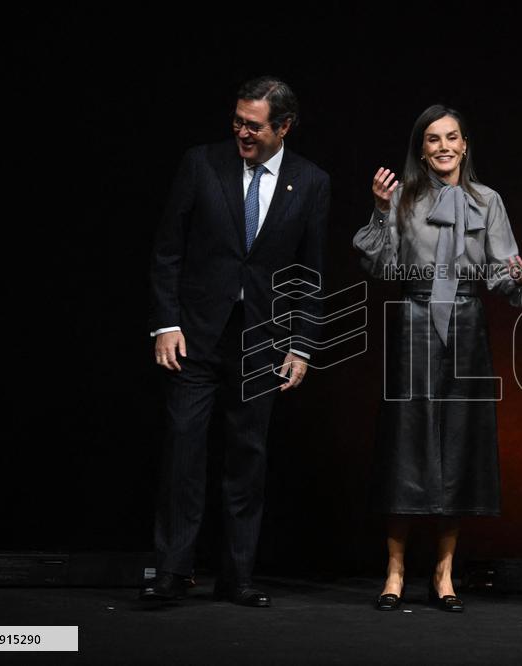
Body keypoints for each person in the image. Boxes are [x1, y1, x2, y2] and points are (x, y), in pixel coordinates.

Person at [142, 76, 330, 607]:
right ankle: (172, 573)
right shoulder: (201, 163)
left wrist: (302, 345)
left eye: (254, 125)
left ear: (284, 127)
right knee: (183, 451)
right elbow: (167, 250)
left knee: (247, 458)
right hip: (194, 337)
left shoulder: (311, 181)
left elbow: (311, 272)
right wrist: (166, 323)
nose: (241, 132)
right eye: (237, 121)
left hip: (263, 343)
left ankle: (237, 576)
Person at [353, 104, 522, 612]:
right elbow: (380, 265)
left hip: (466, 324)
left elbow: (503, 274)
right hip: (412, 320)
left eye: (451, 137)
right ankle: (394, 570)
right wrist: (377, 209)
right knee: (405, 442)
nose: (443, 147)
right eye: (432, 139)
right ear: (421, 149)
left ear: (464, 145)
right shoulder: (403, 198)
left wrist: (519, 277)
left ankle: (444, 570)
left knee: (458, 442)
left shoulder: (488, 201)